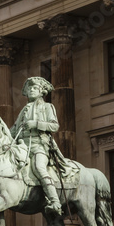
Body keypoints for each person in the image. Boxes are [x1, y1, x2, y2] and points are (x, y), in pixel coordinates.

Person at [10, 76, 69, 215]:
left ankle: (55, 201)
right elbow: (14, 129)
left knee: (39, 167)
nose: (31, 90)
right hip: (22, 146)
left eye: (34, 88)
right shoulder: (24, 110)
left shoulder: (47, 107)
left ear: (41, 91)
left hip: (40, 146)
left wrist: (35, 124)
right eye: (29, 88)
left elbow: (54, 126)